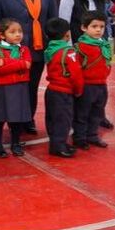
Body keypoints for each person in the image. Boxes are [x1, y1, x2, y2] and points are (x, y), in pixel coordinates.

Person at [0, 0, 58, 134]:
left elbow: (53, 20)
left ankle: (28, 119)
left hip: (38, 48)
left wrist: (54, 44)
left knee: (31, 86)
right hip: (12, 50)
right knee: (12, 86)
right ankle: (12, 119)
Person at [0, 19, 32, 158]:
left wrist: (7, 63)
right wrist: (19, 63)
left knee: (16, 119)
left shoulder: (24, 49)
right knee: (0, 118)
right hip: (3, 88)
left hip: (20, 88)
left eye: (20, 31)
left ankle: (16, 143)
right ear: (2, 35)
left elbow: (28, 65)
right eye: (12, 32)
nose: (18, 34)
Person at [43, 18, 84, 158]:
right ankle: (58, 146)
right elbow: (76, 73)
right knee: (63, 119)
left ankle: (56, 142)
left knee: (52, 118)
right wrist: (79, 90)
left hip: (51, 90)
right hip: (64, 91)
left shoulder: (50, 49)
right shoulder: (68, 51)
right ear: (67, 34)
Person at [72, 11, 111, 150]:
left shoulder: (104, 45)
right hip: (86, 85)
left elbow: (107, 63)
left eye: (101, 26)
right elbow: (75, 69)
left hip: (102, 84)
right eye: (94, 26)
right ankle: (79, 137)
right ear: (84, 28)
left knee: (97, 113)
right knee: (82, 113)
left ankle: (92, 135)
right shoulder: (80, 47)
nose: (98, 30)